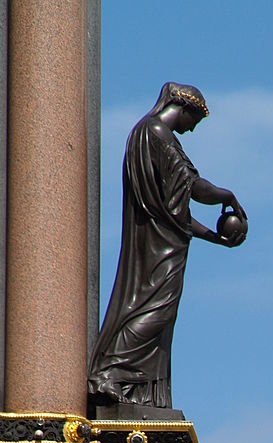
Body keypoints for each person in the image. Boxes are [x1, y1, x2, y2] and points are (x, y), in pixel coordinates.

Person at [89, 82, 247, 408]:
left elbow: (175, 211)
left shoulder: (149, 134)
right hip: (156, 247)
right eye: (194, 122)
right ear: (184, 107)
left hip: (164, 241)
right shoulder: (155, 133)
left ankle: (128, 381)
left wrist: (214, 237)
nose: (190, 131)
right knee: (154, 310)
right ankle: (109, 371)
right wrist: (227, 195)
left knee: (157, 311)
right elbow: (192, 188)